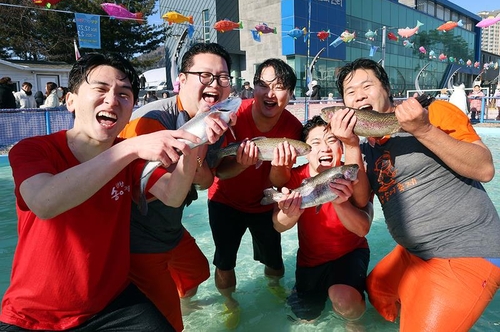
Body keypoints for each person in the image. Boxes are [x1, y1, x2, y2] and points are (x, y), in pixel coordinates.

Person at [0, 52, 212, 331]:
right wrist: (129, 148)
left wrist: (192, 143)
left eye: (125, 94)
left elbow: (173, 196)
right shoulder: (33, 149)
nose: (113, 100)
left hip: (112, 303)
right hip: (33, 314)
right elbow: (44, 201)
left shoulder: (129, 157)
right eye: (101, 89)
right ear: (71, 101)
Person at [329, 58, 500, 332]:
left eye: (366, 85)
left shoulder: (433, 112)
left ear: (387, 89)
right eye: (350, 92)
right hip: (414, 253)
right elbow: (361, 201)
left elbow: (484, 168)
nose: (359, 94)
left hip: (466, 250)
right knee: (376, 291)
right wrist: (350, 144)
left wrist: (423, 129)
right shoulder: (368, 147)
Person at [120, 42, 235, 332]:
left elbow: (207, 180)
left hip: (169, 227)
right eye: (205, 76)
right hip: (136, 236)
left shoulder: (214, 120)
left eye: (223, 78)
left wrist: (201, 148)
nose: (215, 84)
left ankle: (184, 305)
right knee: (168, 325)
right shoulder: (151, 121)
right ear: (181, 80)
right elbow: (166, 193)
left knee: (196, 273)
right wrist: (195, 150)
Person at [207, 58, 303, 328]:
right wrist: (241, 162)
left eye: (279, 87)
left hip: (264, 204)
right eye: (263, 84)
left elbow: (280, 182)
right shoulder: (234, 117)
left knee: (274, 259)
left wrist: (280, 165)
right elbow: (219, 172)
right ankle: (229, 303)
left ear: (291, 93)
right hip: (225, 201)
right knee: (224, 262)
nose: (270, 93)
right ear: (254, 87)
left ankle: (274, 289)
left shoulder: (294, 129)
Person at [272, 115, 373, 323]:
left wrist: (340, 202)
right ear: (306, 152)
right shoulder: (296, 179)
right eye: (315, 143)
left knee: (346, 302)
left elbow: (363, 229)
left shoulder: (352, 174)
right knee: (306, 319)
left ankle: (356, 323)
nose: (324, 148)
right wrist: (290, 213)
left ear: (341, 147)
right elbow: (278, 225)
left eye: (331, 141)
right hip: (310, 260)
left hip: (349, 254)